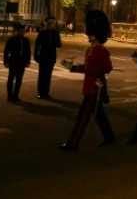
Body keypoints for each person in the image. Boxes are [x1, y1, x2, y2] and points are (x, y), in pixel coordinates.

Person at [60, 10, 115, 150]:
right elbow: (88, 67)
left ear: (95, 35)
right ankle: (109, 137)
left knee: (82, 118)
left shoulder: (101, 50)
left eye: (90, 34)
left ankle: (72, 144)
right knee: (98, 115)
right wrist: (72, 67)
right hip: (90, 85)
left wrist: (87, 70)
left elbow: (107, 68)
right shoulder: (91, 49)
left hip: (95, 87)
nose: (88, 36)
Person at [33, 18, 61, 99]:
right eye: (52, 24)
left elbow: (59, 44)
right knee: (42, 75)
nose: (53, 25)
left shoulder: (56, 33)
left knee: (48, 75)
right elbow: (37, 45)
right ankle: (40, 92)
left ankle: (46, 92)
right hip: (43, 56)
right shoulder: (43, 33)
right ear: (48, 24)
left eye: (54, 24)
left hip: (51, 56)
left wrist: (56, 41)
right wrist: (36, 56)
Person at [3, 23, 31, 102]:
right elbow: (6, 51)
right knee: (11, 78)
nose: (23, 32)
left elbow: (28, 52)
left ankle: (16, 95)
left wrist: (28, 61)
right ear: (17, 31)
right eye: (21, 31)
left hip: (22, 62)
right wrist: (6, 61)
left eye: (23, 31)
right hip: (13, 61)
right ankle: (9, 95)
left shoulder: (26, 40)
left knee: (19, 79)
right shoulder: (12, 39)